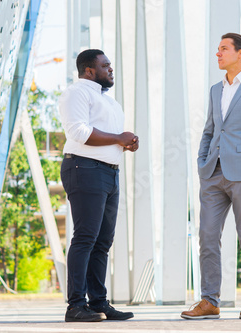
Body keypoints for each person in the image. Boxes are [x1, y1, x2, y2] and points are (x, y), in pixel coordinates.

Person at [181, 33, 241, 320]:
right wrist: (202, 162)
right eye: (218, 49)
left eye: (223, 49)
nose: (218, 53)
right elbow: (210, 130)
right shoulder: (215, 89)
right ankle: (209, 301)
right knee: (207, 237)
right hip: (212, 173)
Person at [59, 49, 138, 322]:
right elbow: (78, 132)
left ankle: (99, 303)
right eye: (105, 66)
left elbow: (110, 138)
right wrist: (118, 137)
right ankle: (76, 306)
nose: (110, 69)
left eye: (110, 65)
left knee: (103, 242)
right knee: (85, 238)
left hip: (108, 173)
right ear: (89, 70)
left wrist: (124, 143)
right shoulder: (77, 92)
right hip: (84, 168)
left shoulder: (108, 101)